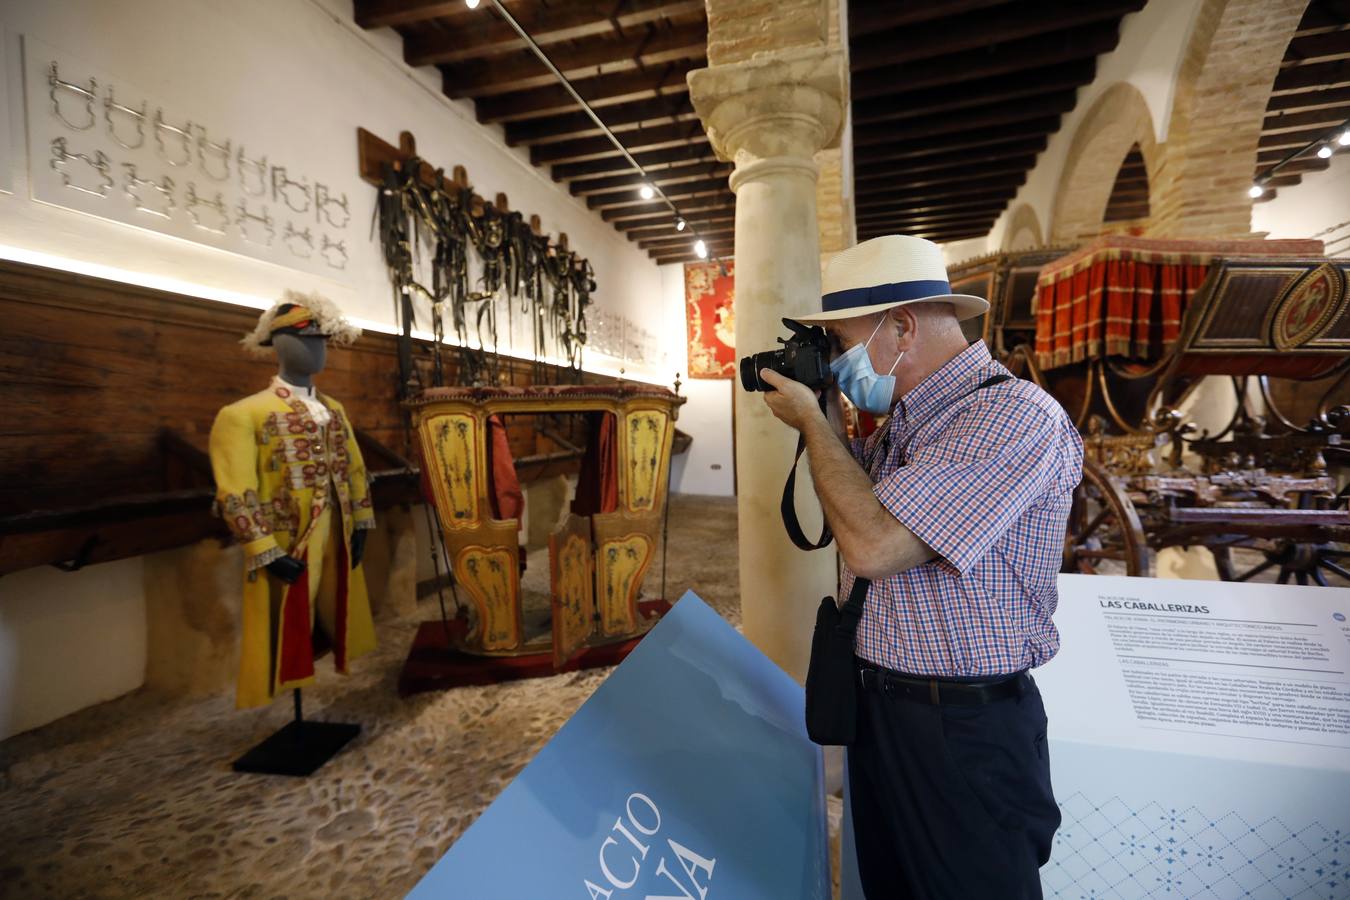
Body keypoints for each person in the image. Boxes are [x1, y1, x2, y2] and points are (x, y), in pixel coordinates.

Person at [758, 235, 1083, 899]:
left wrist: (817, 429)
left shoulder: (1010, 415)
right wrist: (826, 414)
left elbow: (874, 547)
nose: (838, 363)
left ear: (901, 326)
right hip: (886, 720)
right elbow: (852, 523)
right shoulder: (906, 424)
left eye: (841, 343)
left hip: (962, 734)